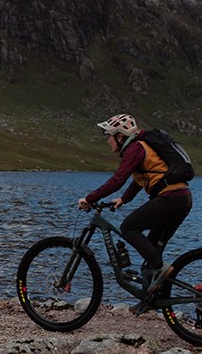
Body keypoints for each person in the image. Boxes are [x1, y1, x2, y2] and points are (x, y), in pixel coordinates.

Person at [77, 113, 192, 297]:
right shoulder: (142, 148)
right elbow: (142, 178)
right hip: (181, 199)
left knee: (129, 227)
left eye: (109, 136)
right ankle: (151, 299)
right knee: (151, 252)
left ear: (120, 136)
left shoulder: (135, 148)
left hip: (170, 199)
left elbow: (117, 180)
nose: (108, 141)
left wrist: (90, 198)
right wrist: (124, 199)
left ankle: (159, 268)